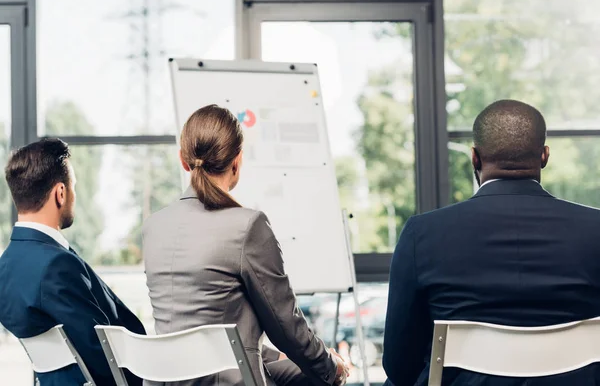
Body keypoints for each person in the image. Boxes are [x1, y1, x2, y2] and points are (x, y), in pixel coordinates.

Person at [382, 99, 600, 386]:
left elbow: (399, 366)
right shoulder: (595, 228)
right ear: (545, 156)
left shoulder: (422, 233)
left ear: (474, 157)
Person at [143, 104, 349, 386]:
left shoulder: (154, 227)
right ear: (237, 161)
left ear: (183, 160)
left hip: (168, 380)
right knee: (324, 375)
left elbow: (205, 325)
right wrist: (330, 367)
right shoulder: (247, 225)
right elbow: (285, 325)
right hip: (231, 380)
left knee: (303, 369)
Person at [0, 139, 146, 386]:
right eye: (73, 186)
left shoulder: (6, 265)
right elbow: (102, 355)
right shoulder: (56, 266)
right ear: (60, 193)